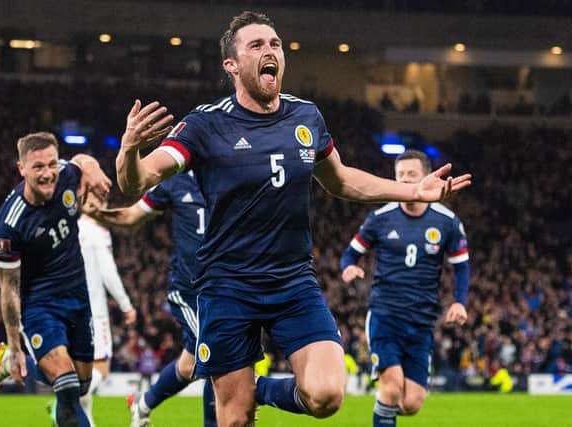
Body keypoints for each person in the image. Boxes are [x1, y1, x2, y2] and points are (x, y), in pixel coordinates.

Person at [115, 11, 471, 427]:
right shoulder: (205, 124)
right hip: (227, 285)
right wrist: (129, 152)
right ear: (231, 65)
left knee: (326, 395)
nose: (270, 52)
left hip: (292, 282)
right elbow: (141, 179)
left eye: (275, 44)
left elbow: (341, 180)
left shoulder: (306, 117)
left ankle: (257, 391)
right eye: (257, 46)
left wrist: (414, 190)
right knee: (232, 421)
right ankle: (243, 398)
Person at [0, 131, 112, 427]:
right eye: (38, 167)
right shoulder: (10, 225)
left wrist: (93, 169)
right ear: (21, 169)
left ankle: (16, 367)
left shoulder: (66, 176)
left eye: (51, 164)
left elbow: (81, 161)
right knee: (67, 387)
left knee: (81, 386)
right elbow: (9, 290)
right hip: (41, 307)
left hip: (78, 301)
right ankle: (12, 356)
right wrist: (15, 343)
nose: (47, 174)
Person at [339, 149, 470, 426]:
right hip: (385, 314)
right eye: (400, 175)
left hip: (422, 320)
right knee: (391, 387)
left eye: (412, 174)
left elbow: (461, 266)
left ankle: (382, 412)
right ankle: (384, 407)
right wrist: (348, 267)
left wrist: (459, 301)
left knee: (411, 403)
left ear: (427, 177)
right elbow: (349, 254)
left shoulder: (447, 222)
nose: (405, 179)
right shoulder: (380, 217)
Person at [86, 172, 216, 427]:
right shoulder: (175, 180)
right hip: (190, 291)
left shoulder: (227, 172)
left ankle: (143, 403)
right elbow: (132, 216)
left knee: (190, 365)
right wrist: (97, 213)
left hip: (223, 288)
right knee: (216, 352)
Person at [77, 212, 137, 427]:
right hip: (95, 312)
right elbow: (108, 272)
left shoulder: (70, 229)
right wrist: (126, 305)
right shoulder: (97, 233)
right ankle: (67, 400)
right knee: (101, 370)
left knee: (84, 370)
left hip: (71, 311)